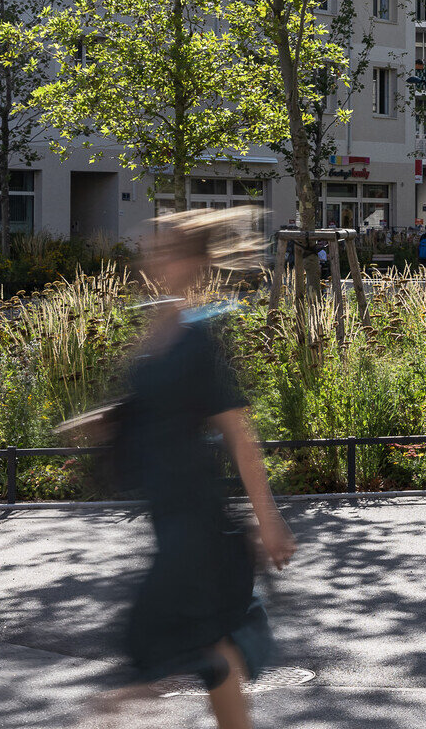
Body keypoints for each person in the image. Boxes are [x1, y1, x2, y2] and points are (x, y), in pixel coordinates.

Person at [93, 209, 296, 726]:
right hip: (168, 513)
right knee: (213, 649)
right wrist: (98, 422)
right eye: (155, 249)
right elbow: (144, 411)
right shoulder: (155, 333)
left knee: (153, 639)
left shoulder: (198, 341)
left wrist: (269, 519)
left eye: (167, 251)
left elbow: (239, 437)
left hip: (195, 518)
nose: (153, 257)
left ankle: (110, 708)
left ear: (190, 264)